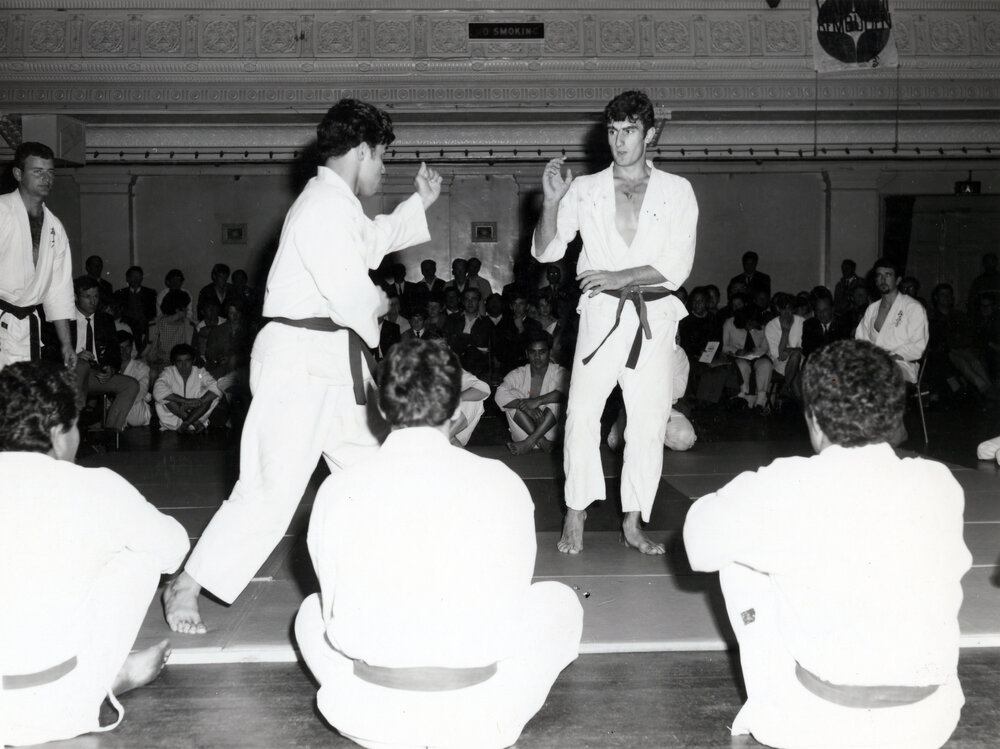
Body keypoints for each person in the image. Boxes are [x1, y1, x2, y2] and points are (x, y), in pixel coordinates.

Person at [162, 98, 443, 634]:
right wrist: (380, 303)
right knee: (272, 487)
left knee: (374, 473)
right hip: (300, 361)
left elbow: (372, 241)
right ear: (361, 151)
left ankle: (390, 578)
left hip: (331, 362)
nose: (384, 168)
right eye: (382, 156)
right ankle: (186, 583)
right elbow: (350, 292)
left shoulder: (336, 205)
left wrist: (419, 203)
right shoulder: (321, 207)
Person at [294, 338, 582, 749]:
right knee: (559, 602)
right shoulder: (502, 482)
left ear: (380, 408)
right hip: (479, 718)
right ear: (456, 410)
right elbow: (513, 598)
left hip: (370, 716)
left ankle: (393, 723)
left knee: (310, 613)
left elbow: (334, 607)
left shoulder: (337, 489)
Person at [684, 340, 970, 749]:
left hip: (820, 726)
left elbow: (698, 548)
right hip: (929, 723)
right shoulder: (940, 482)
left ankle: (767, 702)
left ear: (814, 418)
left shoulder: (783, 482)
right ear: (894, 417)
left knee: (736, 555)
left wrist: (740, 496)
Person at [533, 90, 697, 555]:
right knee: (582, 414)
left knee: (647, 421)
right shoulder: (585, 189)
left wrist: (618, 276)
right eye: (612, 131)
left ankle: (633, 521)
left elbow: (677, 265)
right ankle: (575, 512)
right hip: (601, 314)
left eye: (629, 131)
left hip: (654, 316)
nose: (620, 141)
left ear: (650, 134)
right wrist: (551, 203)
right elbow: (546, 251)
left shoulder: (677, 190)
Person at [0, 361, 189, 746]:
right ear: (58, 433)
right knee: (140, 555)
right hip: (53, 712)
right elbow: (174, 549)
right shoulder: (97, 486)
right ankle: (104, 675)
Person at [0, 142, 76, 371]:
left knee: (22, 391)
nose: (46, 178)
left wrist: (66, 344)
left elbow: (59, 289)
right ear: (18, 174)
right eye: (37, 171)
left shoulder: (55, 227)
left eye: (50, 172)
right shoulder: (2, 211)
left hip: (27, 328)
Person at [44, 275, 139, 435]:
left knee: (131, 385)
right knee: (82, 365)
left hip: (96, 375)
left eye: (96, 296)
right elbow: (49, 353)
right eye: (87, 296)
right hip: (69, 374)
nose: (93, 301)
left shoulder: (105, 320)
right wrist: (75, 355)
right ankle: (72, 424)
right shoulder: (63, 320)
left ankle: (110, 433)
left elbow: (114, 353)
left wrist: (111, 368)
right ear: (75, 297)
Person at [854, 257, 928, 385]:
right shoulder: (872, 309)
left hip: (903, 366)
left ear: (898, 280)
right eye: (879, 276)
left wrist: (889, 358)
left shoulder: (913, 307)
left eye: (888, 275)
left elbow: (918, 346)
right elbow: (861, 341)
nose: (883, 280)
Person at [495, 329, 569, 455]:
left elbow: (567, 393)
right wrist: (526, 408)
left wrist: (537, 401)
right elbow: (499, 395)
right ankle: (541, 441)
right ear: (526, 353)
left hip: (551, 433)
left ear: (550, 352)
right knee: (512, 397)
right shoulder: (518, 374)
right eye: (533, 352)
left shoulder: (559, 372)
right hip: (522, 433)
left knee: (557, 397)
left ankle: (530, 442)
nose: (537, 357)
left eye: (542, 352)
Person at [153, 343, 221, 433]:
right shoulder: (168, 372)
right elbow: (158, 389)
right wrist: (186, 401)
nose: (184, 365)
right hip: (174, 420)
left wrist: (199, 401)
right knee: (164, 397)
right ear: (174, 362)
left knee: (211, 395)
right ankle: (193, 422)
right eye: (179, 361)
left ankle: (187, 423)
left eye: (187, 361)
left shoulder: (200, 373)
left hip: (197, 412)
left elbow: (217, 387)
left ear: (193, 360)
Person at [113, 266, 158, 353]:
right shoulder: (119, 294)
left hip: (145, 330)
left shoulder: (150, 293)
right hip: (126, 329)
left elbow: (153, 314)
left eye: (139, 276)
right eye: (133, 276)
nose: (136, 279)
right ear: (127, 278)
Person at [116, 330, 152, 427]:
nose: (124, 351)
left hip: (134, 405)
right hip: (117, 404)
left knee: (136, 419)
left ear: (132, 347)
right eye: (120, 348)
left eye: (127, 347)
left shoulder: (142, 368)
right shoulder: (110, 367)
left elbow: (141, 391)